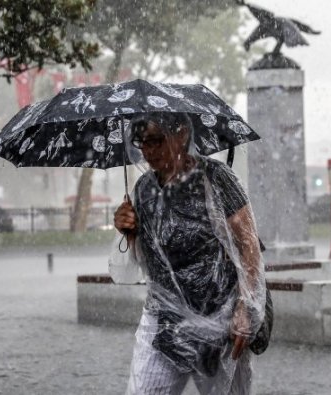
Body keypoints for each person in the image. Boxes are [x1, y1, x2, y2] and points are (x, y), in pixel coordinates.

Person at [114, 112, 266, 394]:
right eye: (141, 142)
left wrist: (246, 307)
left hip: (219, 322)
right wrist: (128, 229)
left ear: (182, 134)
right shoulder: (144, 189)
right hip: (163, 321)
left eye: (156, 140)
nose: (148, 150)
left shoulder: (216, 179)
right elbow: (146, 259)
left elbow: (248, 245)